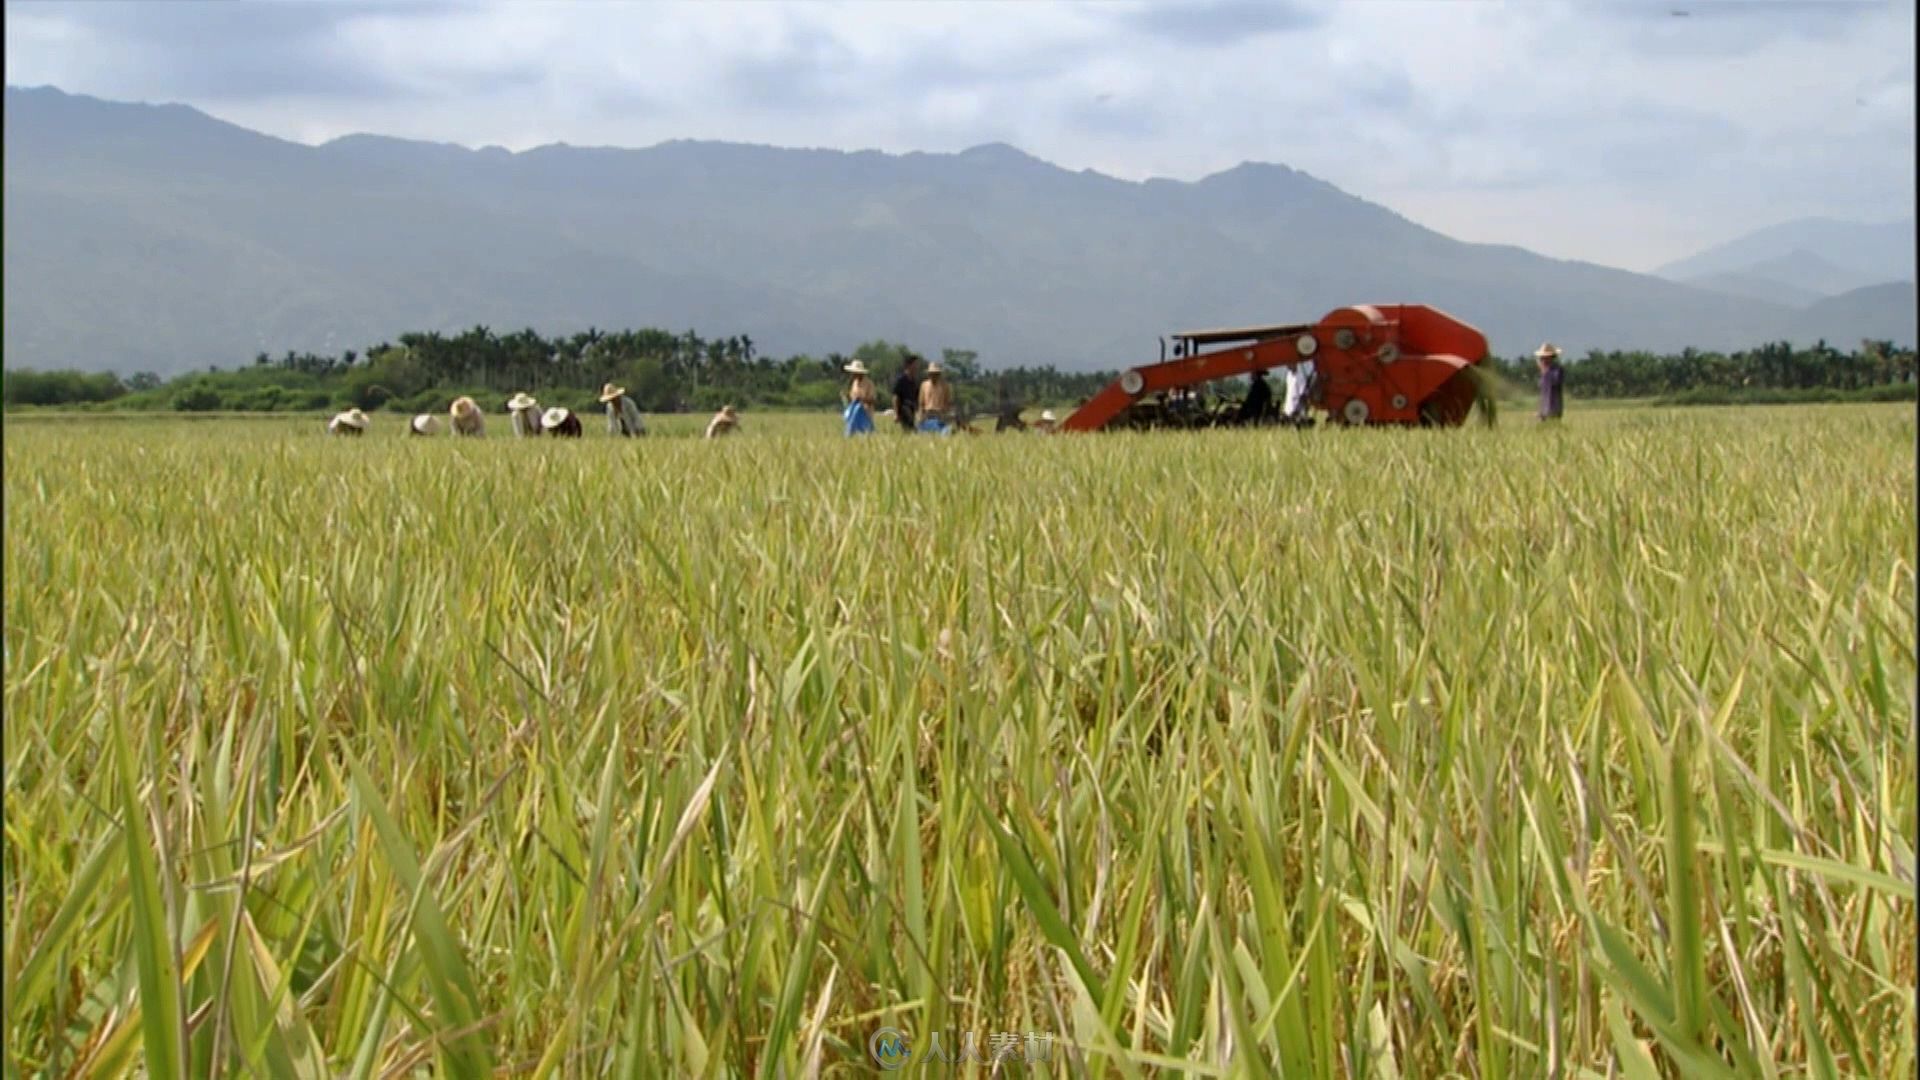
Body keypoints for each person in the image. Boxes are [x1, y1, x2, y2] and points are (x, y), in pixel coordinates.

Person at [917, 360, 954, 435]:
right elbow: (921, 403)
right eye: (932, 374)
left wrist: (946, 415)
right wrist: (921, 416)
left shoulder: (945, 386)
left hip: (940, 415)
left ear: (939, 374)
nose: (934, 376)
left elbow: (948, 403)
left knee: (944, 433)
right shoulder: (924, 385)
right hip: (927, 414)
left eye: (936, 374)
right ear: (929, 374)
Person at [843, 360, 877, 436]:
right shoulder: (854, 383)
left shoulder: (869, 383)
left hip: (866, 414)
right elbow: (852, 399)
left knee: (866, 434)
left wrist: (862, 399)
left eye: (854, 372)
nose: (852, 374)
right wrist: (847, 397)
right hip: (854, 414)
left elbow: (873, 400)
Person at [1536, 343, 1565, 421]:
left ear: (1551, 357)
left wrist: (1545, 372)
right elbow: (1542, 388)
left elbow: (1555, 382)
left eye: (1544, 357)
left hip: (1554, 408)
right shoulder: (1544, 372)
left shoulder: (1557, 370)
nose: (1542, 359)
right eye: (1541, 358)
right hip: (1543, 408)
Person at [892, 354, 921, 432]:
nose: (917, 367)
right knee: (909, 427)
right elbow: (895, 397)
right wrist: (896, 413)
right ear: (909, 365)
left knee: (910, 430)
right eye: (915, 365)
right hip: (903, 408)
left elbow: (917, 397)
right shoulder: (901, 380)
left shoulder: (914, 381)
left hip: (912, 409)